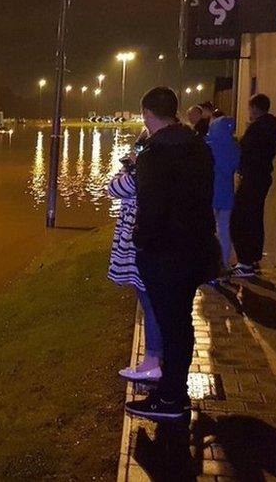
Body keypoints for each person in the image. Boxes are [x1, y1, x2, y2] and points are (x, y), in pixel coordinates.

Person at [126, 87, 220, 421]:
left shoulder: (153, 154)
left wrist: (140, 242)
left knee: (172, 326)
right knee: (181, 323)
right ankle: (172, 394)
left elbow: (150, 210)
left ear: (147, 114)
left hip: (165, 255)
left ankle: (169, 401)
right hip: (197, 249)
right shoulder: (198, 147)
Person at [108, 130, 162, 382]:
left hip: (143, 241)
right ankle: (156, 357)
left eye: (141, 149)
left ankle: (152, 361)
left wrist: (130, 167)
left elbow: (114, 188)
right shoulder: (158, 169)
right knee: (152, 299)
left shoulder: (144, 173)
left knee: (149, 300)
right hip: (157, 241)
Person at [230, 94, 276, 278]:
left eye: (250, 108)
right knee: (254, 218)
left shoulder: (259, 129)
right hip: (261, 177)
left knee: (241, 219)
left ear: (255, 108)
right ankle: (252, 259)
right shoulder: (273, 128)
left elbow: (246, 151)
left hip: (253, 178)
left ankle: (245, 262)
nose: (249, 112)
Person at [205, 112, 240, 270]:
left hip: (210, 194)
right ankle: (224, 263)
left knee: (207, 231)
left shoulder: (208, 145)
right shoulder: (234, 147)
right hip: (227, 194)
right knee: (224, 230)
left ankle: (210, 264)